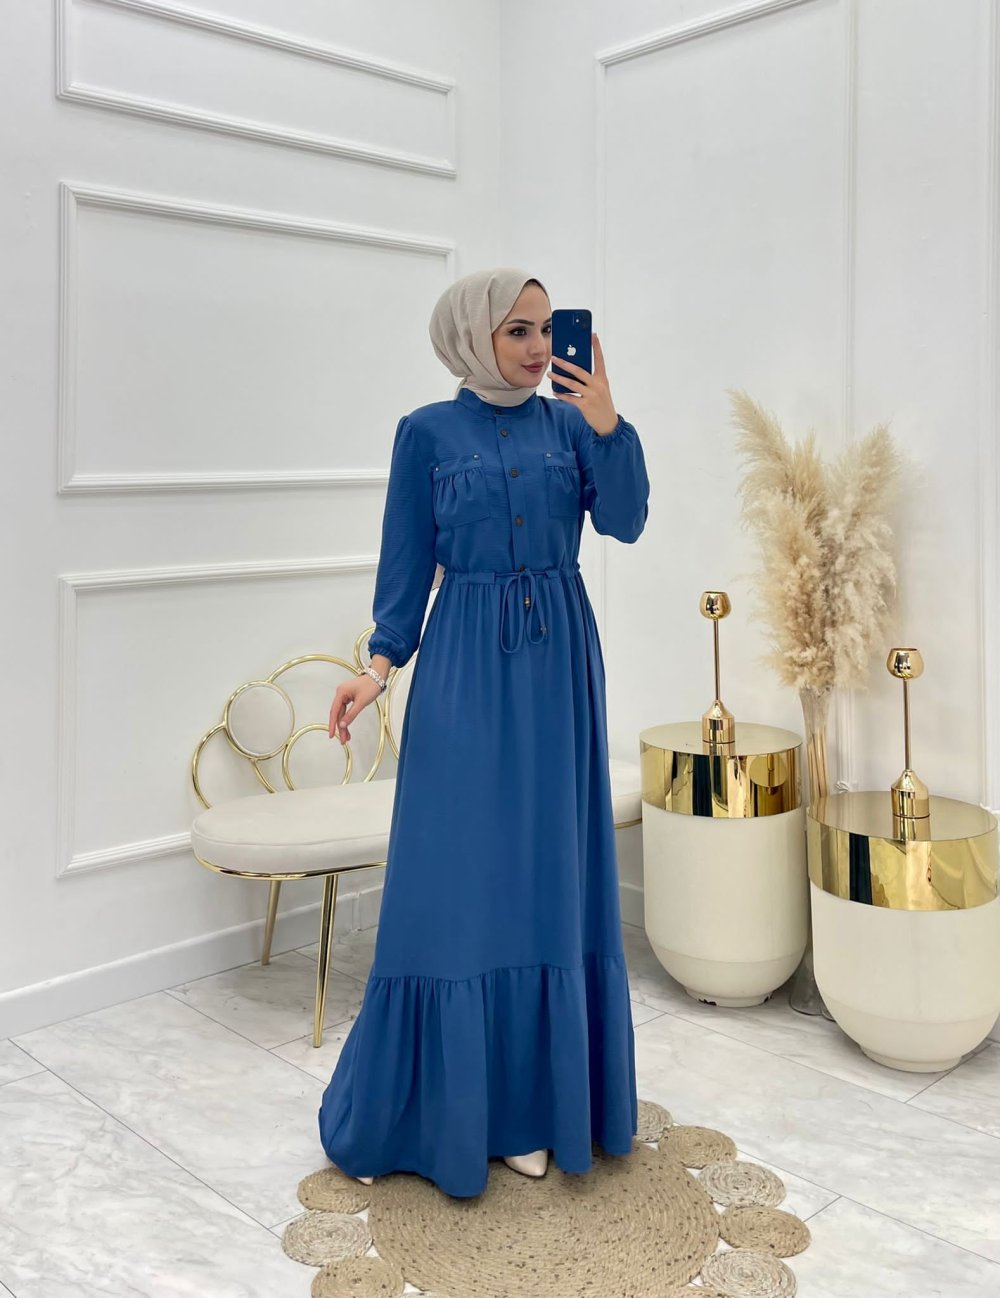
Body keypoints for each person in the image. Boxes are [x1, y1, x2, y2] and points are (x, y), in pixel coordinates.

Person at [319, 267, 650, 1200]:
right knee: (457, 880)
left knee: (548, 873)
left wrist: (607, 425)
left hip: (558, 668)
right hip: (465, 665)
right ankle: (450, 1109)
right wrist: (377, 667)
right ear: (473, 338)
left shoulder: (570, 426)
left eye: (546, 328)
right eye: (518, 330)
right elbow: (404, 564)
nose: (540, 347)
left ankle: (539, 1108)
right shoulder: (426, 433)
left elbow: (625, 522)